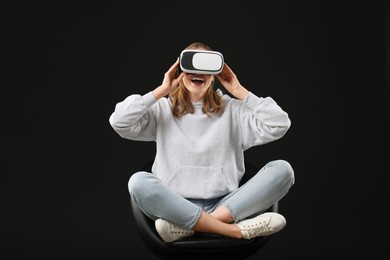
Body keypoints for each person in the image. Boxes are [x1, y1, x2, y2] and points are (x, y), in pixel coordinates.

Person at [109, 42, 295, 243]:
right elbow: (119, 121)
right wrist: (161, 90)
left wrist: (238, 89)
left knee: (283, 170)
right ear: (180, 70)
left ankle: (191, 228)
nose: (199, 73)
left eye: (206, 67)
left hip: (226, 204)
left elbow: (279, 124)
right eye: (191, 65)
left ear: (215, 73)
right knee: (138, 182)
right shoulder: (161, 110)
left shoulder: (234, 110)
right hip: (174, 204)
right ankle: (234, 231)